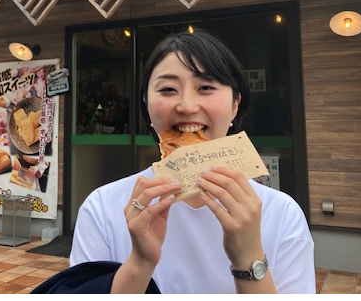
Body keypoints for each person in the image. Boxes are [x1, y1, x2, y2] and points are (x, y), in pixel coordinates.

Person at [67, 29, 315, 294]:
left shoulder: (281, 214)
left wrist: (248, 258)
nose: (186, 106)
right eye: (168, 89)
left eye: (206, 87)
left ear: (235, 104)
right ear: (147, 104)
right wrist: (139, 263)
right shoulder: (102, 208)